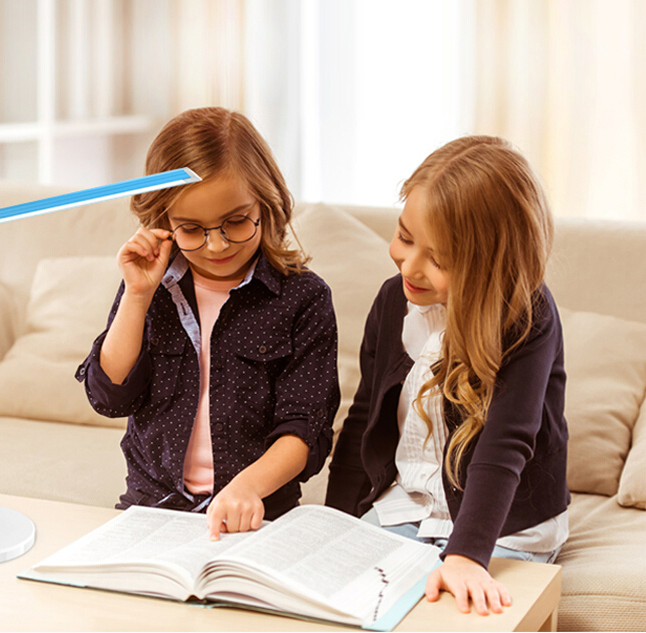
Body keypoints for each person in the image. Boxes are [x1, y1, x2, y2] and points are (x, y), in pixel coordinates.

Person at [325, 136, 569, 616]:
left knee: (445, 612)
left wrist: (465, 556)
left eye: (440, 259)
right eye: (405, 236)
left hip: (500, 525)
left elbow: (506, 443)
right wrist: (335, 527)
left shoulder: (528, 315)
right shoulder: (393, 300)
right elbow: (361, 422)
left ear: (489, 264)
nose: (409, 266)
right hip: (408, 507)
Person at [77, 107, 339, 540]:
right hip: (151, 506)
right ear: (164, 223)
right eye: (192, 229)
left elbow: (305, 429)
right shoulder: (151, 289)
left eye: (236, 221)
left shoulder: (304, 299)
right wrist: (138, 295)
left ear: (266, 202)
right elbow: (110, 396)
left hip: (256, 514)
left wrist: (246, 489)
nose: (217, 245)